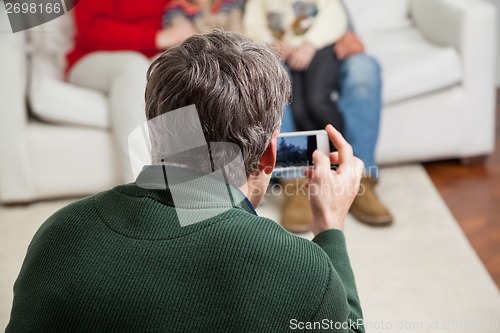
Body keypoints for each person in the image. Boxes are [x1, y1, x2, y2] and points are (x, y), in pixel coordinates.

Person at [7, 31, 365, 333]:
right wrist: (330, 229)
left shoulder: (59, 235)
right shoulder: (301, 271)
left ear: (155, 135)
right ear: (270, 154)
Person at [245, 0, 392, 229]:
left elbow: (334, 16)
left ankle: (361, 177)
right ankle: (294, 182)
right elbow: (250, 26)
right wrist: (269, 45)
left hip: (325, 49)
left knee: (364, 68)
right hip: (279, 55)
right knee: (270, 74)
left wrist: (322, 41)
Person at [66, 0, 196, 183]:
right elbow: (92, 29)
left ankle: (190, 183)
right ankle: (139, 186)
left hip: (150, 56)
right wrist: (157, 38)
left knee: (180, 71)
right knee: (134, 66)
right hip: (92, 58)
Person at [163, 0, 243, 33]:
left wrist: (196, 25)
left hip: (229, 53)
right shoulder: (176, 8)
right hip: (194, 60)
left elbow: (237, 34)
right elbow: (186, 41)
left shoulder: (229, 3)